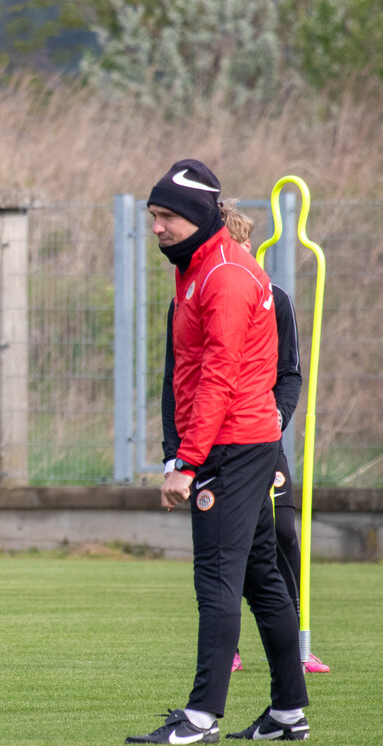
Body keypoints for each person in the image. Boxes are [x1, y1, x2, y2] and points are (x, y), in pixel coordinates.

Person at [126, 160, 310, 744]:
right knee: (263, 579)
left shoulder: (224, 276)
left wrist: (186, 461)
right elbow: (182, 373)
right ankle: (288, 713)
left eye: (167, 216)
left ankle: (202, 716)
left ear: (201, 218)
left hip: (230, 446)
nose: (156, 227)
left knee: (218, 582)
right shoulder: (199, 269)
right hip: (240, 443)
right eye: (153, 216)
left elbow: (219, 376)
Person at [162, 201, 330, 676]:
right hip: (213, 442)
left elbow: (287, 374)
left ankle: (294, 650)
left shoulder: (268, 294)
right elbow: (177, 381)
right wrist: (175, 455)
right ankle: (250, 669)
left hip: (256, 437)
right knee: (229, 553)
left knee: (279, 535)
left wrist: (274, 419)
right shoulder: (190, 293)